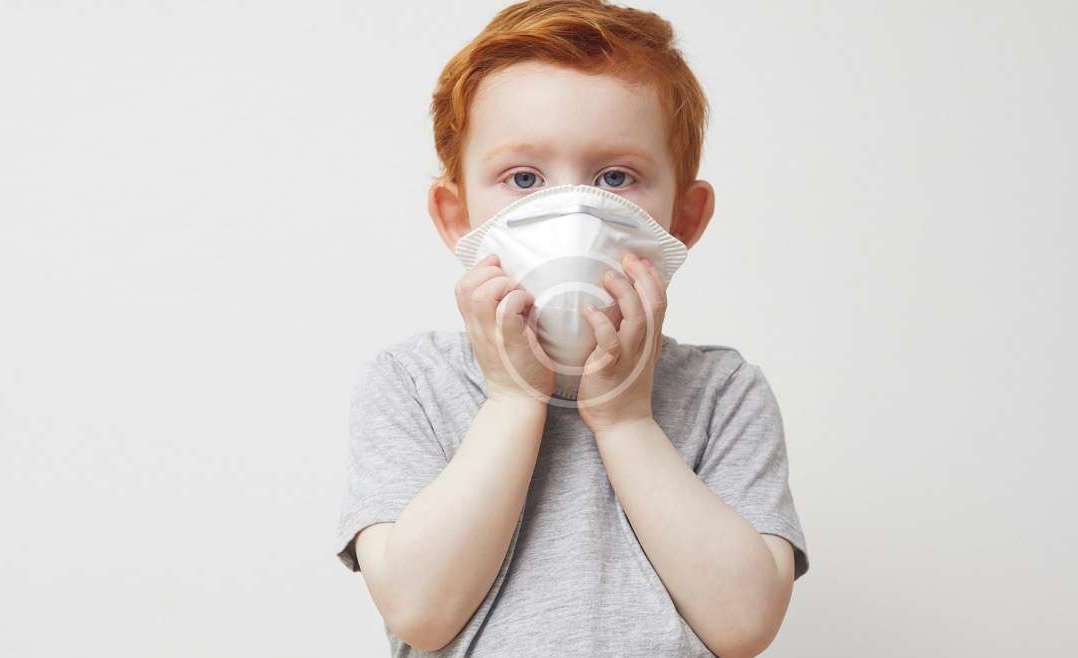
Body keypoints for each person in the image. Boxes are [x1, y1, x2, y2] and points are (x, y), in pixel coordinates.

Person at [333, 1, 808, 655]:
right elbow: (420, 611)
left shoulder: (722, 392)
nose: (573, 213)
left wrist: (626, 420)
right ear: (456, 216)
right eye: (524, 178)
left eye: (615, 178)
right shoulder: (412, 384)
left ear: (684, 219)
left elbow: (744, 624)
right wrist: (513, 398)